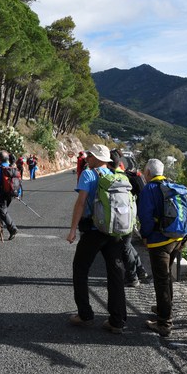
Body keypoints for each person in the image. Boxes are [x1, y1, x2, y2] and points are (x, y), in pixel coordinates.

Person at [66, 143, 127, 334]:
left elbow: (81, 203)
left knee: (80, 269)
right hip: (115, 231)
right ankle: (117, 321)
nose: (87, 158)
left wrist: (73, 229)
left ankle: (85, 314)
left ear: (98, 158)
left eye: (90, 155)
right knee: (116, 274)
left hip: (94, 230)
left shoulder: (88, 174)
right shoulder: (116, 175)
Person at [137, 158, 187, 337]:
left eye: (145, 171)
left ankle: (164, 322)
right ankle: (163, 308)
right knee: (166, 277)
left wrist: (145, 235)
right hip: (177, 237)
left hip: (159, 241)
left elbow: (145, 216)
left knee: (161, 280)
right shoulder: (171, 185)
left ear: (148, 173)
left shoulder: (149, 189)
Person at [108, 149, 150, 288]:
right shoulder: (131, 176)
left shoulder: (114, 177)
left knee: (124, 247)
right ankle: (140, 270)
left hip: (121, 218)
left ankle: (132, 277)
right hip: (131, 216)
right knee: (127, 245)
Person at [0, 151, 19, 240]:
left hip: (2, 193)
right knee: (2, 210)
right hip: (11, 193)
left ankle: (12, 228)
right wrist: (18, 193)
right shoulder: (12, 167)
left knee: (3, 211)